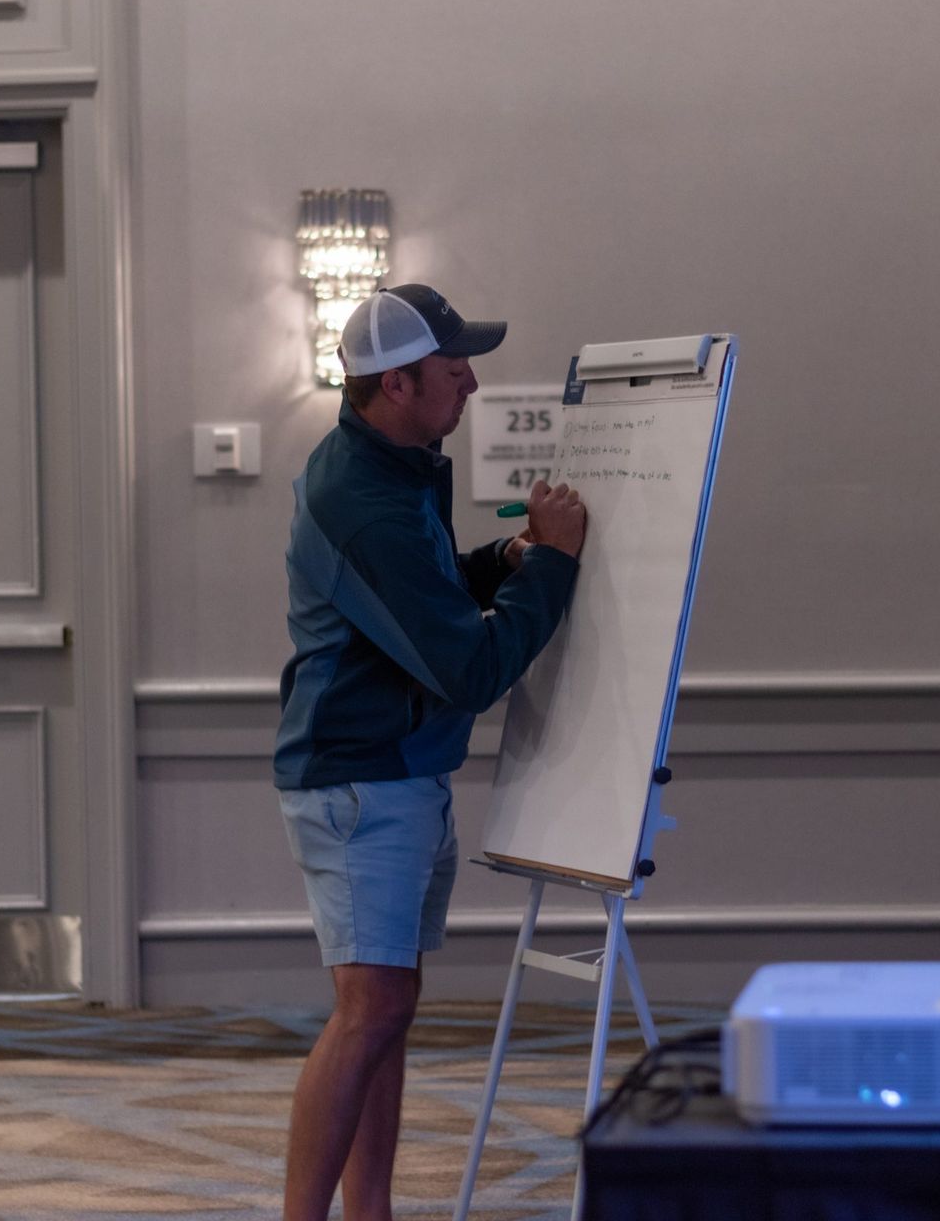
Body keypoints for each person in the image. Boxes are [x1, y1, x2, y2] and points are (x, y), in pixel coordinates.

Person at [273, 283, 587, 1220]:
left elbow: (423, 592)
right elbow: (467, 669)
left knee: (385, 1015)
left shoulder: (388, 468)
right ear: (400, 383)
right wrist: (559, 567)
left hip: (387, 773)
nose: (475, 382)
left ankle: (370, 1213)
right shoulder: (366, 498)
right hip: (364, 783)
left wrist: (504, 560)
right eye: (455, 369)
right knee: (370, 1013)